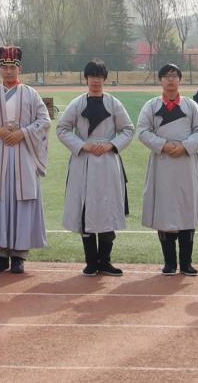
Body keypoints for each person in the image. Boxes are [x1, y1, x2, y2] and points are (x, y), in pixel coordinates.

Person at [0, 45, 50, 274]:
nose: (8, 71)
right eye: (4, 67)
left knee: (22, 200)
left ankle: (19, 255)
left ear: (19, 69)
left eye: (12, 67)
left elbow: (44, 121)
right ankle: (0, 255)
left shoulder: (31, 94)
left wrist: (23, 133)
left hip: (23, 154)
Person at [58, 59, 135, 277]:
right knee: (86, 210)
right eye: (92, 76)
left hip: (108, 162)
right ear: (86, 78)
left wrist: (111, 145)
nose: (95, 80)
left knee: (108, 209)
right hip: (83, 162)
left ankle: (106, 261)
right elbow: (62, 129)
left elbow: (128, 129)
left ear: (104, 79)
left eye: (99, 76)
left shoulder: (114, 103)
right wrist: (83, 145)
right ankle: (91, 262)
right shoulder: (77, 104)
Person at [137, 63, 198, 277]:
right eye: (166, 76)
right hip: (162, 164)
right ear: (161, 80)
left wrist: (185, 146)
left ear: (180, 79)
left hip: (186, 164)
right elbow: (142, 131)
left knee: (187, 209)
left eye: (174, 76)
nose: (170, 80)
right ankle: (169, 262)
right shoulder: (151, 105)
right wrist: (163, 145)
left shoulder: (191, 105)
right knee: (165, 209)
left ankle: (186, 263)